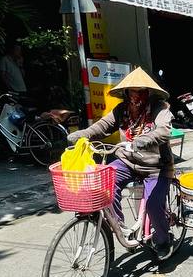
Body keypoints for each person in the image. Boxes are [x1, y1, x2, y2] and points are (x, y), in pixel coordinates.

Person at [68, 67, 174, 252]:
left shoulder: (160, 108)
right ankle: (120, 227)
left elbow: (164, 130)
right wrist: (83, 134)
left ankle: (163, 239)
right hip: (127, 162)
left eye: (140, 92)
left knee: (153, 205)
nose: (135, 96)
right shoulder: (121, 109)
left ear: (148, 92)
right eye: (132, 92)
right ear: (126, 93)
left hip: (156, 167)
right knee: (103, 185)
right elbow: (103, 126)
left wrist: (143, 140)